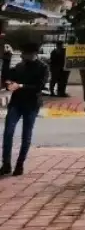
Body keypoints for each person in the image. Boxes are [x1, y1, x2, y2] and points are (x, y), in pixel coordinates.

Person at [2, 44, 49, 176]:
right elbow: (6, 77)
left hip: (32, 104)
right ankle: (6, 164)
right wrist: (7, 58)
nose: (23, 56)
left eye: (25, 54)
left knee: (26, 135)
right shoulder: (20, 66)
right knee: (8, 132)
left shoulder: (43, 67)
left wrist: (21, 86)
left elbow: (39, 86)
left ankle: (20, 164)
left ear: (34, 54)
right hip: (16, 103)